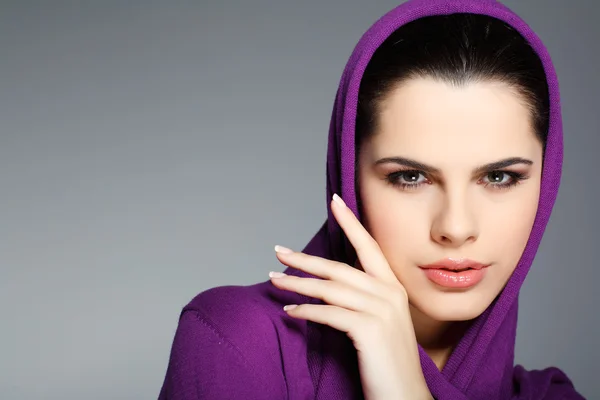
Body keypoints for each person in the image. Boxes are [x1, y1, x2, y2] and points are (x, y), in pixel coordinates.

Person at [158, 1, 585, 399]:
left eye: (499, 177)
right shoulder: (240, 343)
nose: (455, 228)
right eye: (410, 177)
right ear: (349, 175)